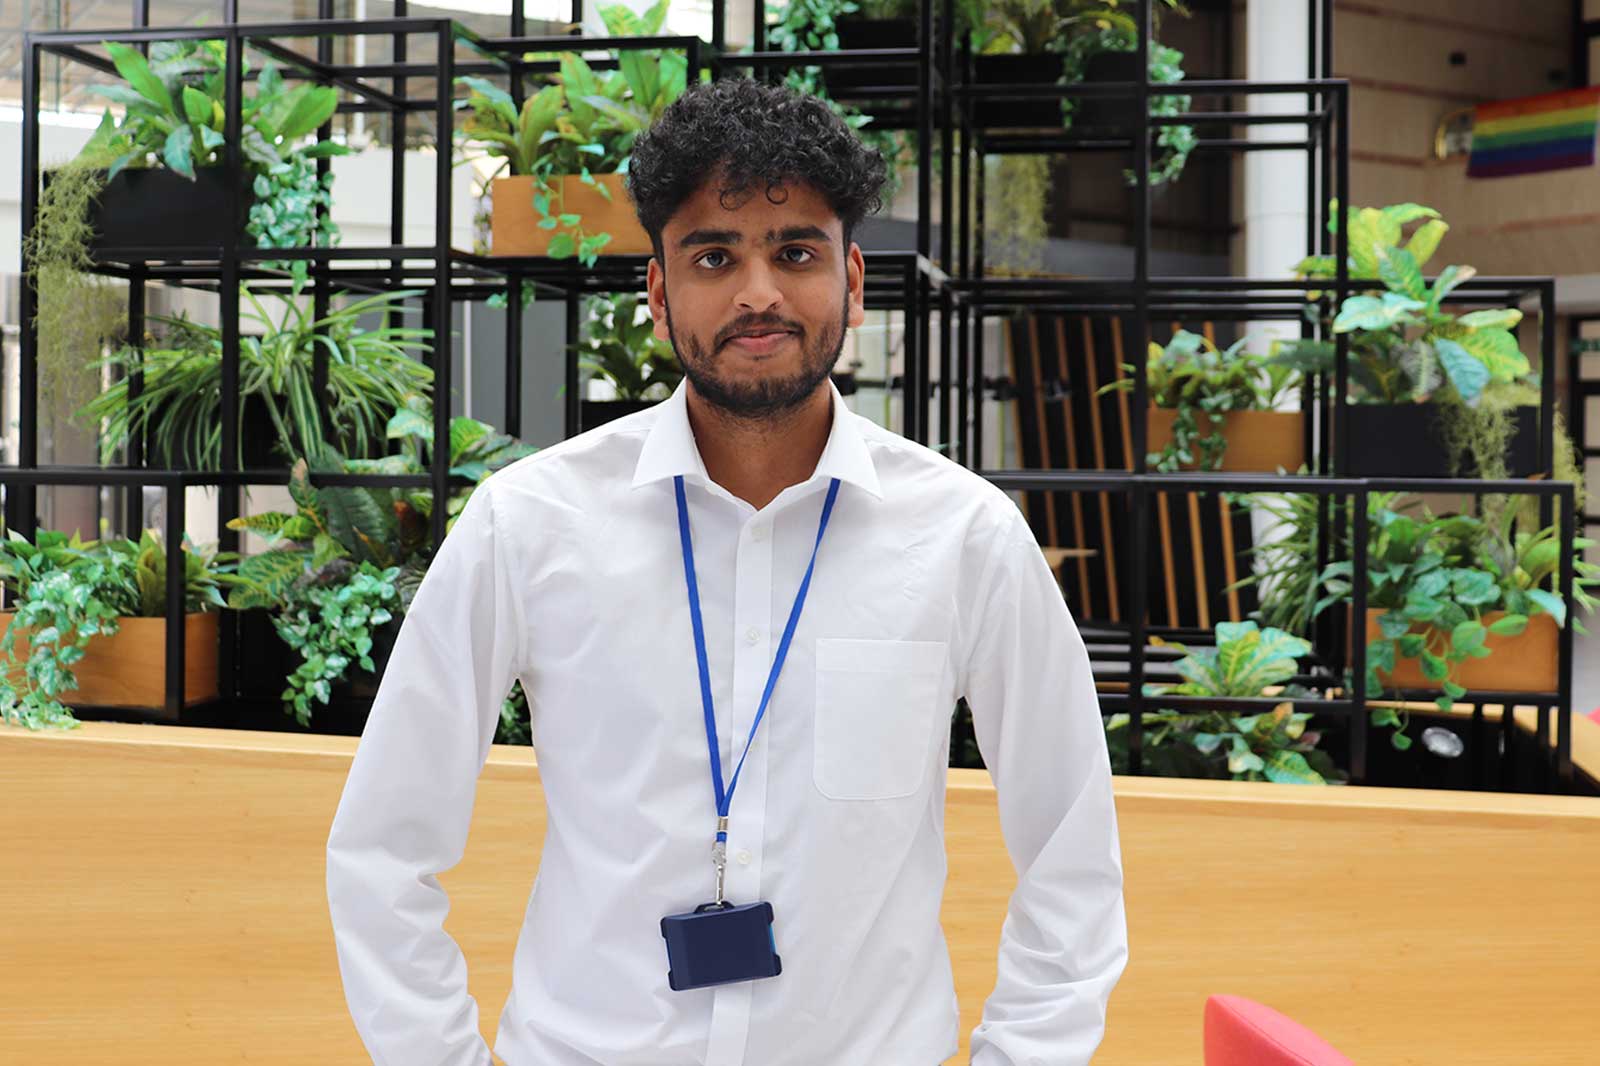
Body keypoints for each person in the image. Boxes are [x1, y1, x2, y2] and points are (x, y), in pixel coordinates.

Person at [326, 76, 1127, 1066]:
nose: (758, 293)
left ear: (853, 280)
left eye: (795, 251)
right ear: (660, 292)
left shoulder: (962, 540)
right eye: (715, 255)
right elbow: (381, 850)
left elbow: (1073, 859)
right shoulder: (531, 526)